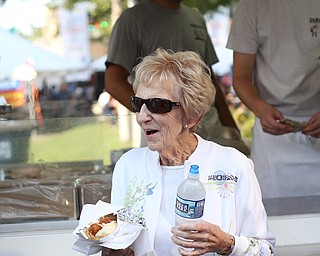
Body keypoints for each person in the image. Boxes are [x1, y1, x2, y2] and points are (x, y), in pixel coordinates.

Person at [102, 49, 275, 256]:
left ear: (192, 116)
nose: (142, 117)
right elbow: (116, 243)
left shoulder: (233, 165)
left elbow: (265, 250)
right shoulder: (129, 166)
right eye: (138, 104)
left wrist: (227, 244)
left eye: (157, 105)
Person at [105, 0, 250, 155]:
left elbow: (209, 78)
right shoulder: (133, 19)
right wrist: (155, 113)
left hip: (210, 131)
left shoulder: (195, 17)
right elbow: (113, 82)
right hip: (166, 138)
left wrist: (232, 127)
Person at [226, 0, 320, 199]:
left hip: (316, 119)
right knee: (271, 218)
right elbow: (241, 77)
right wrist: (260, 109)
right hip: (271, 131)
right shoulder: (252, 5)